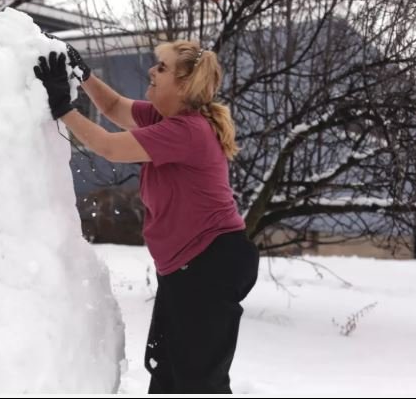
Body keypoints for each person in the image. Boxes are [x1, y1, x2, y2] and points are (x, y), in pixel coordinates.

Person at [33, 38, 260, 394]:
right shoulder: (164, 118)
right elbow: (111, 106)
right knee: (166, 370)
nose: (152, 71)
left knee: (199, 382)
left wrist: (63, 107)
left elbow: (107, 146)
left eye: (162, 68)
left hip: (211, 264)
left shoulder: (186, 131)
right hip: (188, 266)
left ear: (184, 86)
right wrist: (84, 74)